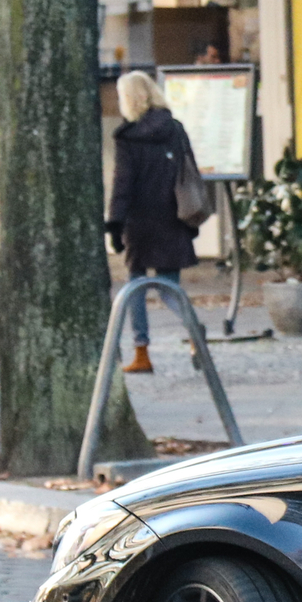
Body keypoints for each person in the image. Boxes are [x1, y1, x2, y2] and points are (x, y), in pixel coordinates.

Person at [106, 69, 201, 374]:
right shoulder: (174, 128)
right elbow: (190, 173)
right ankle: (194, 329)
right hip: (172, 217)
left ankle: (142, 353)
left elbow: (124, 184)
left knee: (135, 287)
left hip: (140, 221)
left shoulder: (128, 136)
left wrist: (115, 224)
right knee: (169, 288)